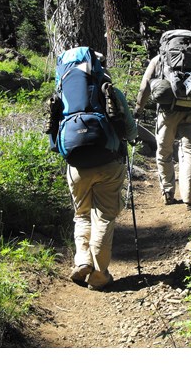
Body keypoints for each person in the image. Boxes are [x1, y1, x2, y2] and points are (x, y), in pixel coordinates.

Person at [63, 52, 138, 290]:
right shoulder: (111, 92)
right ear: (99, 66)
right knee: (104, 216)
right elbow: (131, 131)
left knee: (82, 215)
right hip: (109, 162)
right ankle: (98, 275)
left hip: (77, 165)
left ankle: (82, 260)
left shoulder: (62, 93)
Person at [134, 32, 191, 210]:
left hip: (167, 113)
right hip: (190, 111)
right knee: (189, 152)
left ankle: (168, 193)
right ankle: (190, 198)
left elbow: (144, 87)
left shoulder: (158, 60)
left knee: (164, 152)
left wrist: (138, 109)